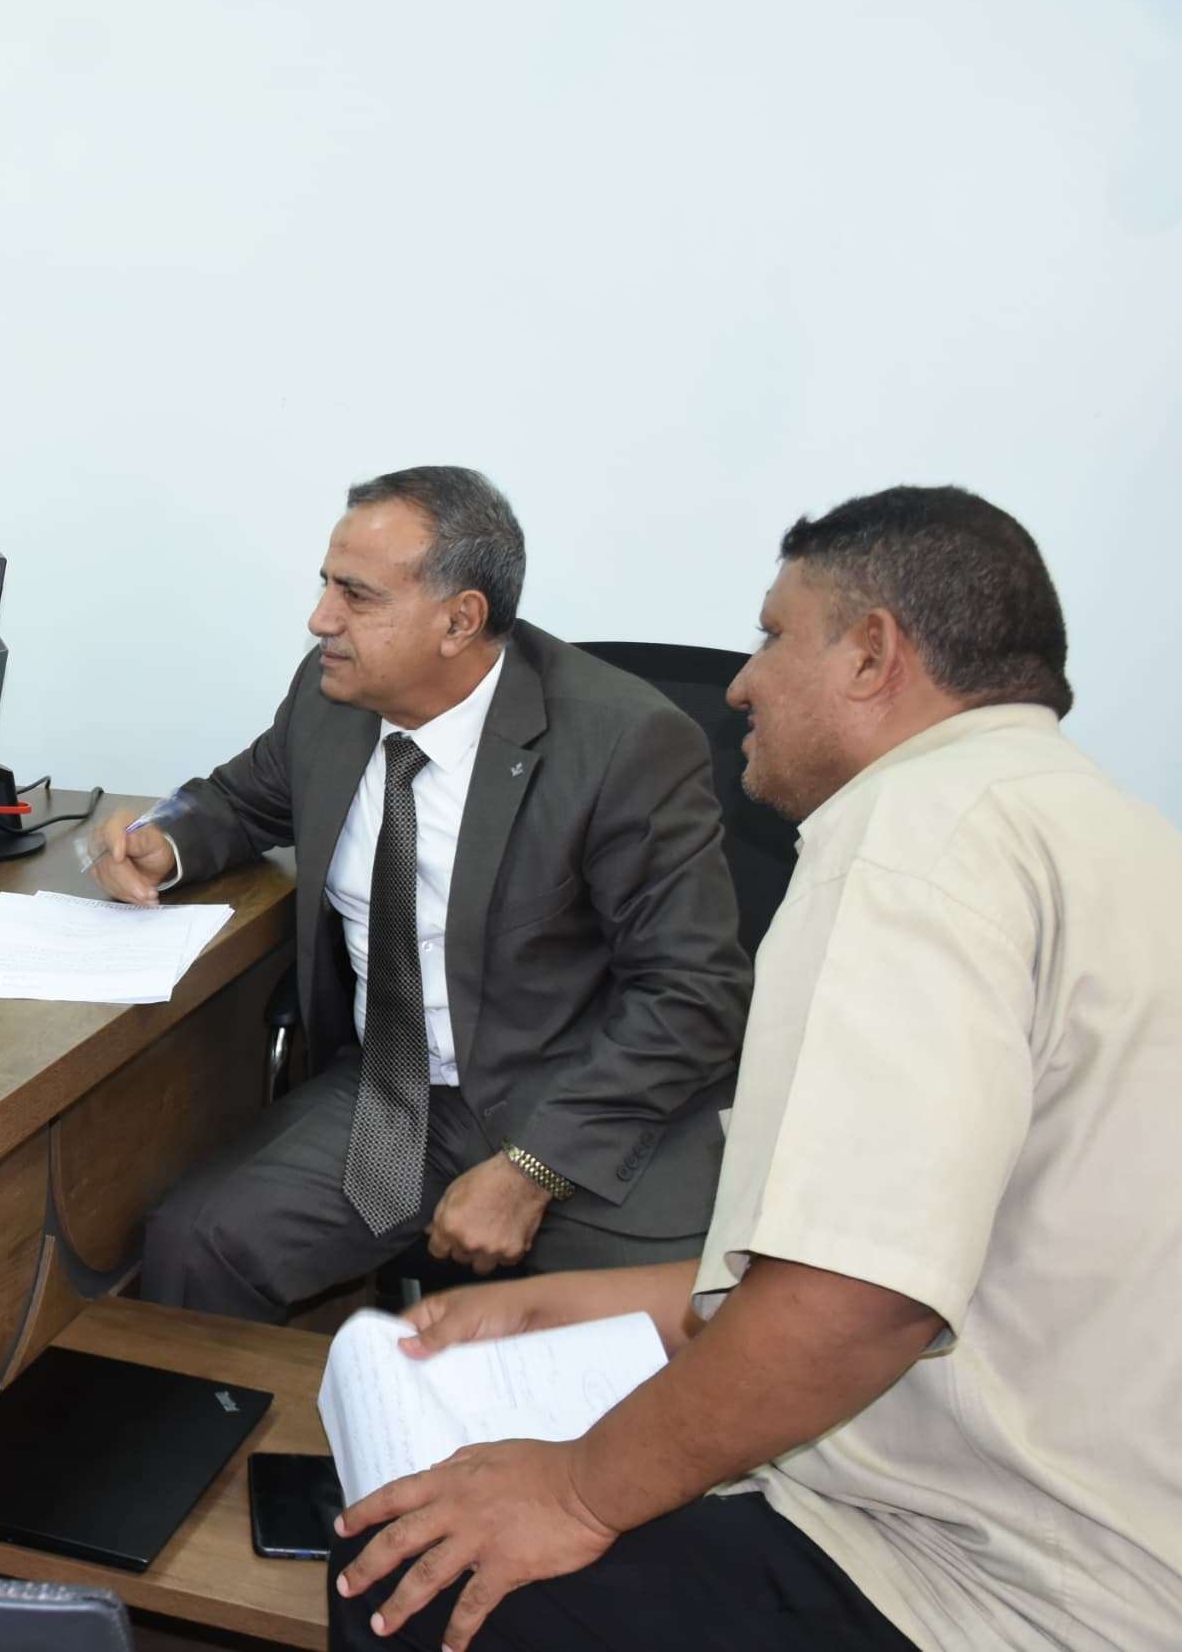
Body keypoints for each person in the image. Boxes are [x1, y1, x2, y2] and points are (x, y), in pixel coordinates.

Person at [330, 487, 1182, 1651]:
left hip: (989, 1581)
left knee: (408, 1580)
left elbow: (861, 1302)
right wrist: (571, 1301)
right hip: (1110, 1517)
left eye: (775, 636)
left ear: (872, 653)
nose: (741, 683)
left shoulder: (906, 844)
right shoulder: (1115, 831)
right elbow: (946, 1253)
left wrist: (574, 1490)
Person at [91, 467, 749, 1319]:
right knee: (198, 1242)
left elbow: (694, 992)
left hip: (584, 1105)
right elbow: (237, 798)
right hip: (396, 1100)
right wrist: (163, 838)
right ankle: (246, 1411)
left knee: (672, 1330)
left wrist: (532, 1169)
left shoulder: (624, 742)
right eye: (326, 585)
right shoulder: (332, 694)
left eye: (356, 595)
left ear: (459, 620)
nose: (321, 619)